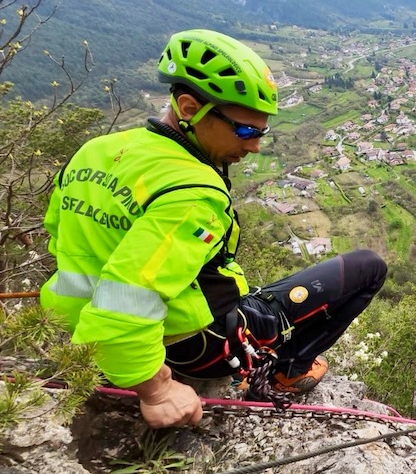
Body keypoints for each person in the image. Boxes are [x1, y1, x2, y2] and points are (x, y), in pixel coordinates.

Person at [40, 29, 387, 429]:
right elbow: (126, 302)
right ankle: (289, 370)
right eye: (245, 131)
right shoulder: (192, 192)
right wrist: (157, 389)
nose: (255, 145)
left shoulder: (94, 152)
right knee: (368, 267)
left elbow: (60, 238)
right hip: (196, 346)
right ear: (189, 107)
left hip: (74, 329)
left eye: (262, 132)